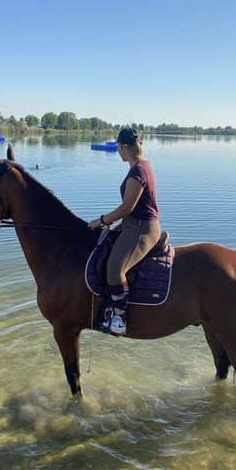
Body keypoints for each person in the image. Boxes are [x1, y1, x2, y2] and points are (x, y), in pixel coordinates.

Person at [88, 127, 161, 335]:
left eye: (118, 147)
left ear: (121, 146)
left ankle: (119, 317)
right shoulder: (141, 165)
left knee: (114, 268)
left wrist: (102, 220)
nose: (118, 151)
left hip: (141, 229)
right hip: (132, 224)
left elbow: (127, 207)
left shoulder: (138, 171)